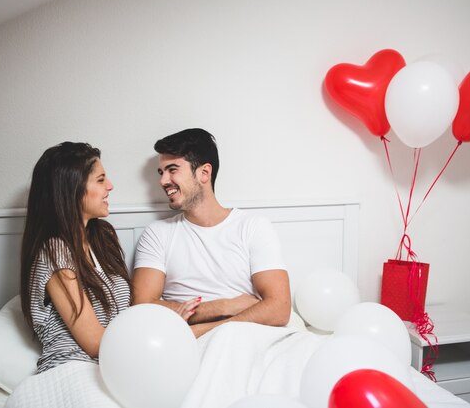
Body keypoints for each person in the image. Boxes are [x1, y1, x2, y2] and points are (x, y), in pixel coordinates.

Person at [132, 128, 291, 337]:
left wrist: (203, 329)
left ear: (204, 173)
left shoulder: (253, 226)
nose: (163, 181)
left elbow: (279, 309)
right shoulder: (157, 234)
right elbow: (144, 305)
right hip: (188, 342)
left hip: (247, 337)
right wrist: (224, 306)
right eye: (161, 173)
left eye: (172, 169)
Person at [19, 141, 131, 373]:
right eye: (100, 180)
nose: (110, 186)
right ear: (72, 189)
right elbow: (94, 343)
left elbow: (125, 315)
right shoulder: (55, 252)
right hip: (73, 368)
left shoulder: (104, 236)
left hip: (116, 364)